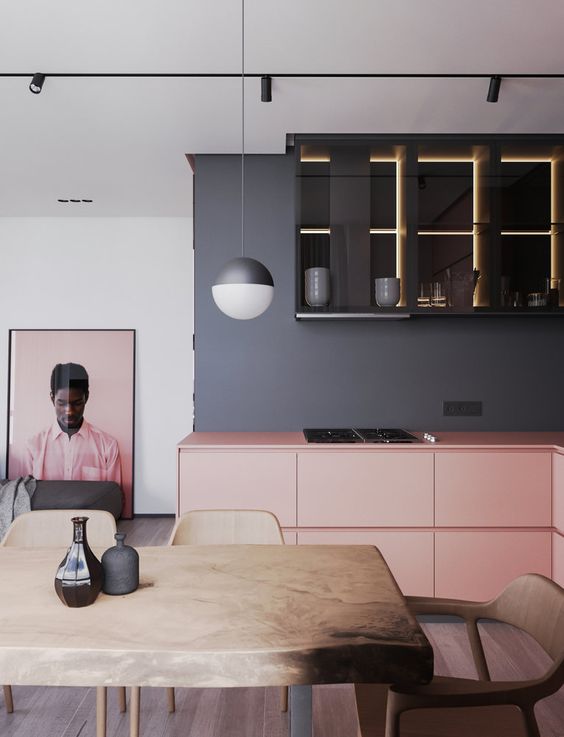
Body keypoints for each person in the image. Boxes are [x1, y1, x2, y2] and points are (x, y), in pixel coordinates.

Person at [23, 363, 122, 484]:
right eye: (61, 403)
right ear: (52, 399)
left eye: (76, 403)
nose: (69, 411)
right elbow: (23, 500)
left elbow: (114, 499)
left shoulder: (108, 446)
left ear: (87, 398)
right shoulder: (33, 446)